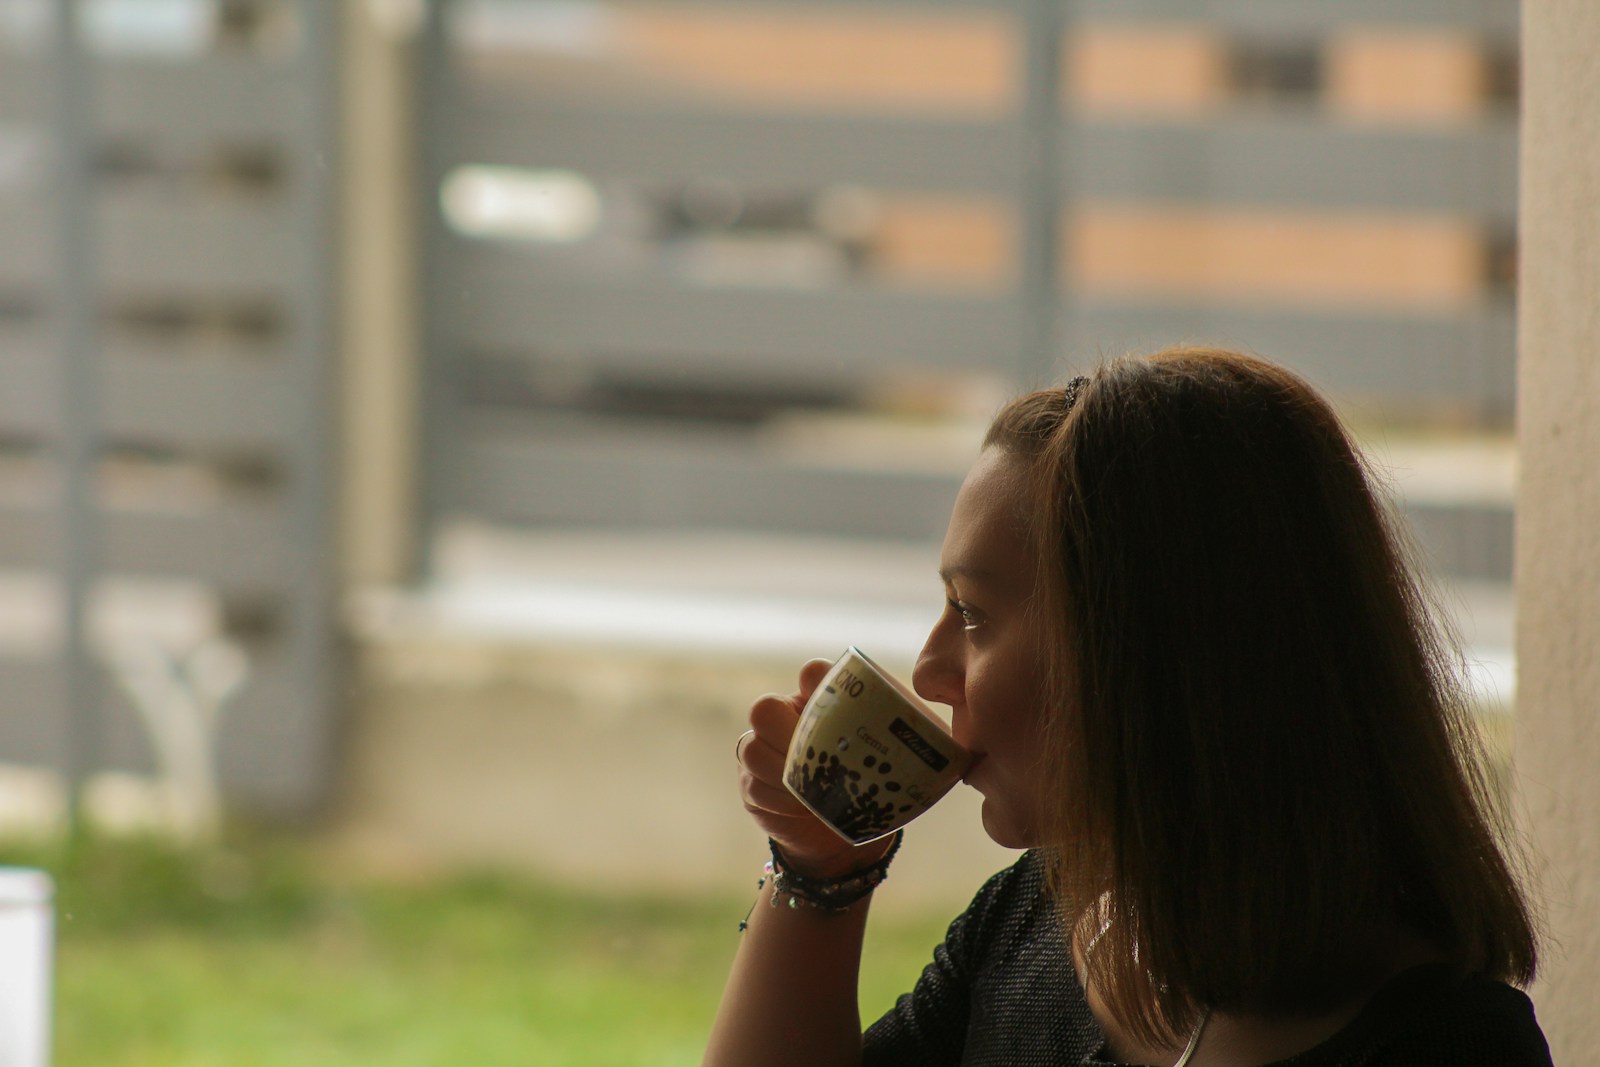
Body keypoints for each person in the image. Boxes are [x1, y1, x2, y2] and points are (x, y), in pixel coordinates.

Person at [704, 347, 1551, 1067]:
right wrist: (821, 872)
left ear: (1147, 654)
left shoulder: (1446, 1046)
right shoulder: (1032, 925)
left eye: (972, 614)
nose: (929, 670)